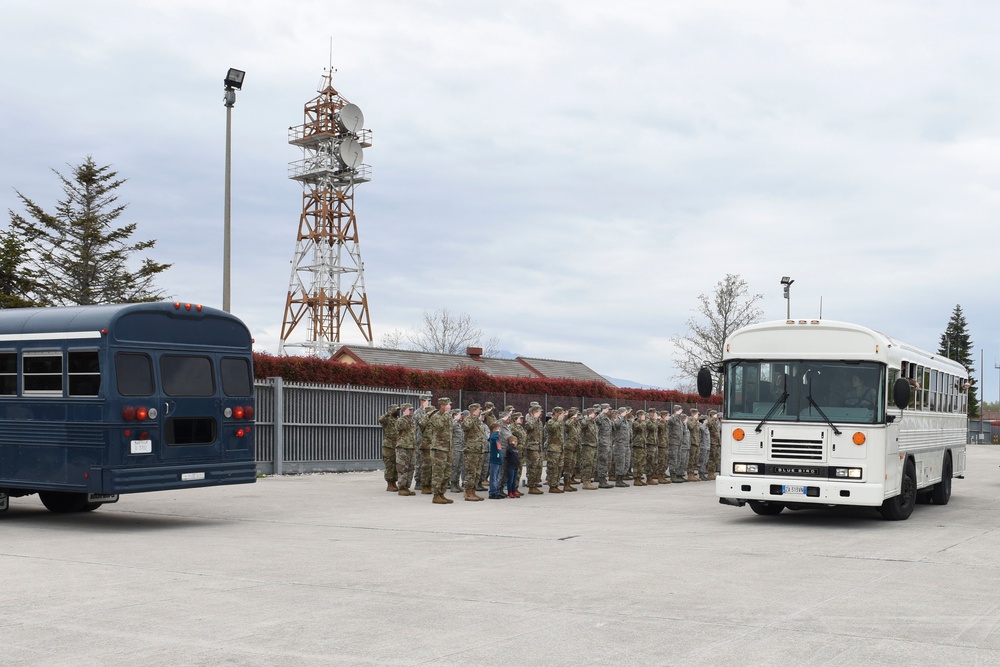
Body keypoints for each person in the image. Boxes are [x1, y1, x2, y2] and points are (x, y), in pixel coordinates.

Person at [430, 397, 454, 504]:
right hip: (439, 448)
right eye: (448, 405)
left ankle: (442, 493)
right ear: (443, 406)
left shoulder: (448, 416)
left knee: (447, 473)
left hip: (448, 448)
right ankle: (436, 495)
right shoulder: (436, 416)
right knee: (438, 473)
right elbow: (439, 425)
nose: (450, 407)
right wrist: (446, 413)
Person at [462, 404, 486, 502]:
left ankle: (473, 491)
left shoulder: (478, 421)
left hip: (479, 449)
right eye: (478, 410)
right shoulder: (469, 419)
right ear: (473, 410)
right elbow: (465, 426)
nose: (480, 411)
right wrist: (473, 415)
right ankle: (468, 492)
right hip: (471, 450)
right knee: (471, 472)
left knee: (477, 473)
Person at [394, 403, 417, 496]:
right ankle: (402, 487)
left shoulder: (412, 421)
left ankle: (407, 486)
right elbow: (401, 427)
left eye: (412, 410)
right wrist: (405, 416)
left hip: (411, 447)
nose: (411, 411)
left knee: (411, 468)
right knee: (402, 467)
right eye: (409, 410)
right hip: (403, 447)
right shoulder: (401, 420)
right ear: (404, 410)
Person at [379, 404, 400, 492]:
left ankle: (394, 482)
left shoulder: (397, 420)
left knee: (395, 465)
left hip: (396, 445)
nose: (398, 411)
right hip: (388, 446)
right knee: (389, 465)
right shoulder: (387, 419)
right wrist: (388, 413)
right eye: (396, 410)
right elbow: (381, 419)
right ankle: (389, 484)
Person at [545, 407, 567, 493]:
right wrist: (559, 420)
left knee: (559, 467)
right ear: (556, 413)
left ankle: (556, 484)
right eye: (560, 413)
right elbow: (552, 428)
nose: (562, 415)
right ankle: (552, 486)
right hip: (553, 449)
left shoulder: (560, 422)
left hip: (560, 448)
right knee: (553, 468)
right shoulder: (551, 421)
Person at [524, 404, 545, 494]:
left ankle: (535, 484)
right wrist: (534, 418)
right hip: (532, 447)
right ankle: (531, 486)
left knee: (539, 466)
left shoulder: (539, 422)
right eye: (539, 411)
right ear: (533, 412)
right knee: (533, 467)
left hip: (538, 447)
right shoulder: (530, 420)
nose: (541, 414)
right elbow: (529, 427)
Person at [579, 407, 599, 490]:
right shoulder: (585, 421)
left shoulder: (593, 422)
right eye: (594, 413)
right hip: (587, 446)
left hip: (594, 446)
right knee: (587, 464)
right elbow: (582, 425)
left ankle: (589, 480)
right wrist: (589, 417)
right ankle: (585, 482)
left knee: (593, 464)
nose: (596, 415)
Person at [562, 408, 581, 491]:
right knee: (567, 466)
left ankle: (569, 482)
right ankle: (566, 484)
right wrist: (571, 417)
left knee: (572, 466)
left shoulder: (576, 424)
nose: (578, 417)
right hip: (568, 447)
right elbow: (567, 424)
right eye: (576, 415)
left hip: (575, 447)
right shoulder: (568, 423)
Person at [596, 404, 614, 488]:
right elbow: (597, 420)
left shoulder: (608, 419)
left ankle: (604, 479)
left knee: (608, 462)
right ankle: (601, 481)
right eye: (608, 409)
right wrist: (602, 412)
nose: (610, 411)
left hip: (608, 443)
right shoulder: (601, 417)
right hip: (603, 443)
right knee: (603, 461)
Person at [667, 405, 686, 484]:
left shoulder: (678, 420)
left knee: (678, 459)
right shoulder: (673, 418)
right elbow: (670, 421)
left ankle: (676, 474)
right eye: (679, 410)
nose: (681, 412)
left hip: (679, 442)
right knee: (673, 459)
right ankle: (672, 475)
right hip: (673, 442)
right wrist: (676, 414)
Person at [449, 409, 466, 493]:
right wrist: (455, 418)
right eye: (459, 414)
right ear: (455, 415)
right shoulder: (453, 423)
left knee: (459, 467)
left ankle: (457, 483)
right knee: (454, 467)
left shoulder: (460, 424)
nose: (461, 416)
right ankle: (452, 484)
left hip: (461, 448)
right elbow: (450, 428)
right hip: (455, 448)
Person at [487, 422, 505, 499]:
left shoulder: (498, 440)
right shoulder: (493, 438)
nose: (500, 430)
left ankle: (497, 491)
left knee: (497, 477)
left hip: (498, 460)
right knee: (493, 477)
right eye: (498, 429)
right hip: (494, 460)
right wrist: (496, 432)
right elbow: (492, 437)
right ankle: (492, 492)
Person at [630, 410, 647, 486]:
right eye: (643, 415)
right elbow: (641, 427)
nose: (644, 416)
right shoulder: (635, 423)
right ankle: (636, 479)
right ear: (639, 416)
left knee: (642, 462)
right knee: (637, 462)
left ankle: (639, 477)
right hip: (637, 445)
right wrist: (643, 421)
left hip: (642, 445)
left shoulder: (642, 422)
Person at [686, 408, 701, 482]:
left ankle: (692, 473)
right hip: (692, 442)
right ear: (693, 414)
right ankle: (690, 474)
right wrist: (695, 420)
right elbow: (691, 427)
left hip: (696, 442)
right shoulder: (690, 420)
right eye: (697, 414)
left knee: (695, 459)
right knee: (691, 459)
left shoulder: (696, 422)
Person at [706, 409, 721, 480]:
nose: (716, 416)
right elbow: (709, 425)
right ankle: (710, 473)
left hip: (717, 442)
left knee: (716, 458)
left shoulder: (716, 422)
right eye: (715, 414)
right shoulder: (710, 420)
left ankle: (713, 472)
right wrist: (712, 418)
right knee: (712, 458)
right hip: (713, 442)